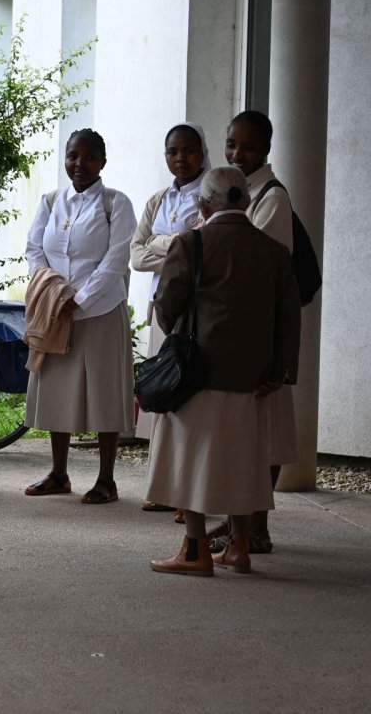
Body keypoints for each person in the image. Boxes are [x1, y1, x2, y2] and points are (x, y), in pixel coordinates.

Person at [145, 166, 300, 576]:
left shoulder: (191, 242)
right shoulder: (274, 251)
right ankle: (237, 547)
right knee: (244, 459)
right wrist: (280, 370)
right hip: (254, 377)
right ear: (246, 201)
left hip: (199, 372)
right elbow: (288, 319)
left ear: (203, 202)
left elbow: (166, 305)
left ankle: (194, 550)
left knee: (189, 458)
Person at [23, 129, 136, 504]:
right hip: (57, 310)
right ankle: (59, 473)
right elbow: (34, 248)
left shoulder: (115, 203)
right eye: (73, 156)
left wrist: (81, 298)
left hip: (100, 312)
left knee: (104, 392)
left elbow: (117, 259)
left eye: (89, 157)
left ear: (103, 161)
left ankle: (107, 479)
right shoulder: (52, 200)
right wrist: (52, 289)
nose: (79, 164)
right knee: (57, 389)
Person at [216, 109, 296, 553]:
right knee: (245, 433)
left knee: (264, 435)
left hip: (262, 332)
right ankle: (240, 526)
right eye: (231, 144)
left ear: (266, 148)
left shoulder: (272, 196)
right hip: (240, 330)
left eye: (247, 146)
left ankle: (256, 528)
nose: (237, 153)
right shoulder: (238, 190)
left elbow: (258, 261)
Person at [130, 121, 210, 513]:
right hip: (160, 307)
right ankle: (164, 488)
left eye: (189, 150)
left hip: (193, 311)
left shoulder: (210, 194)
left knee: (188, 398)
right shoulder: (159, 199)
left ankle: (187, 494)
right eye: (172, 152)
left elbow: (204, 248)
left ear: (203, 152)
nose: (181, 158)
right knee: (161, 394)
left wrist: (161, 246)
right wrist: (177, 245)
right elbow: (135, 255)